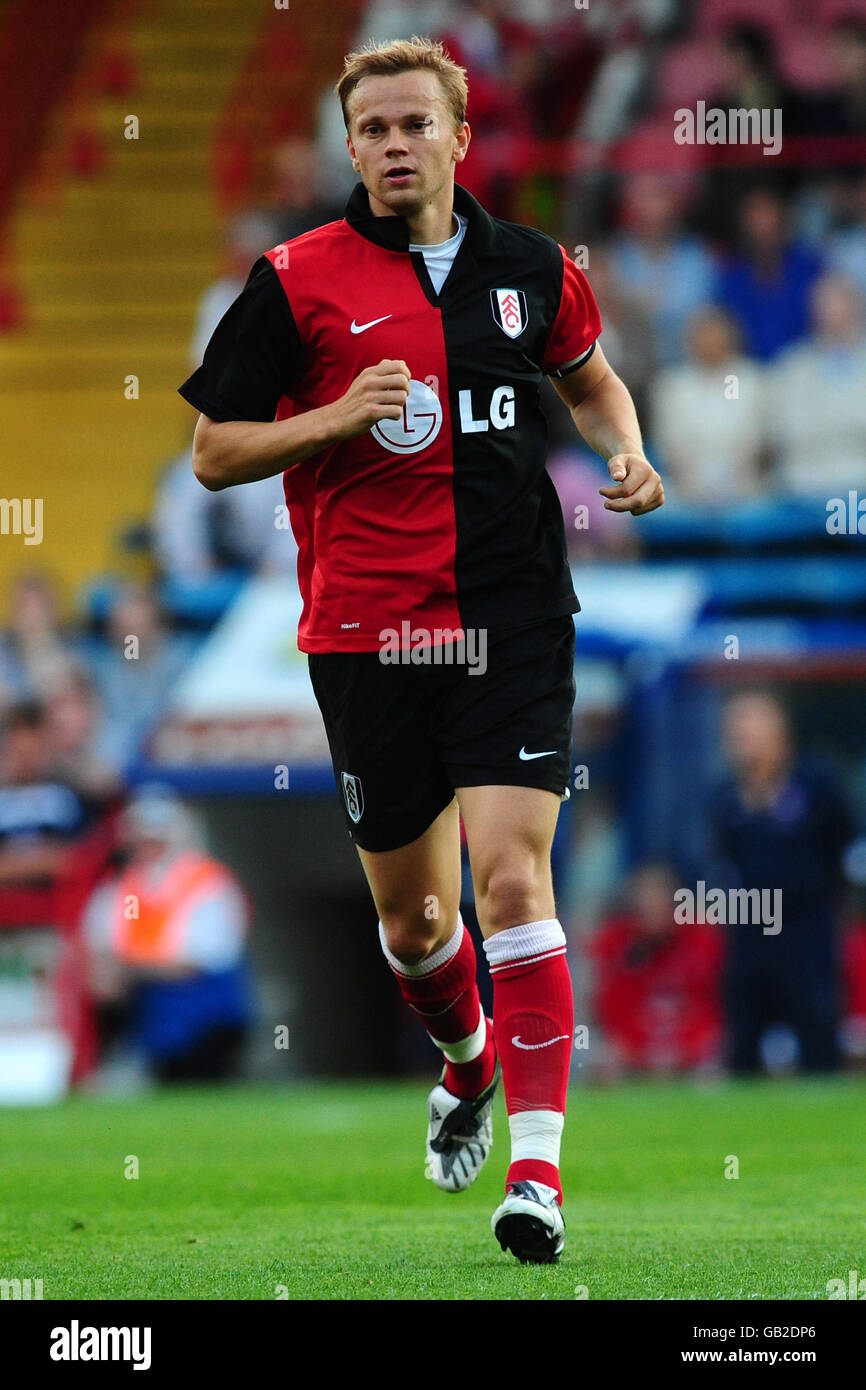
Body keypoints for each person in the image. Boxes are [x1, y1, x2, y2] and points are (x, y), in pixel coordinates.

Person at [178, 36, 663, 1264]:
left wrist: (625, 448)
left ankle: (540, 1178)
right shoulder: (294, 280)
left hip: (509, 620)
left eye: (413, 125)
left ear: (457, 136)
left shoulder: (533, 270)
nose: (394, 146)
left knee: (513, 882)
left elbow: (592, 383)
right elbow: (214, 450)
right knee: (413, 926)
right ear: (352, 148)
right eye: (372, 130)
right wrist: (338, 414)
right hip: (366, 633)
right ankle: (465, 1059)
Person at [710, 691, 855, 1076]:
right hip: (749, 936)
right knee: (743, 1043)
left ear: (779, 732)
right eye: (733, 731)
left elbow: (845, 849)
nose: (739, 739)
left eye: (748, 729)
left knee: (817, 1039)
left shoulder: (818, 786)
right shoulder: (726, 799)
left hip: (806, 934)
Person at [83, 787, 253, 1084]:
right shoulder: (121, 888)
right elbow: (101, 953)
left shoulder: (208, 883)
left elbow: (201, 960)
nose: (147, 848)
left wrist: (129, 969)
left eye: (155, 839)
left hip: (205, 1014)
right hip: (148, 1014)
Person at [588, 861, 723, 1076]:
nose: (652, 914)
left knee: (714, 1063)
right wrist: (640, 1052)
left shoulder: (701, 939)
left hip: (691, 1048)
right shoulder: (616, 944)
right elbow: (611, 1008)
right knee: (600, 1059)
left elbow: (712, 1004)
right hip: (633, 1050)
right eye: (645, 906)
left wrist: (684, 1049)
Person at [650, 306, 768, 504]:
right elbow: (669, 443)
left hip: (745, 485)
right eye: (704, 334)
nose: (710, 341)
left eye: (716, 334)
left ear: (731, 338)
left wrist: (730, 477)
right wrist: (697, 478)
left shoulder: (753, 381)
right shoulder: (670, 386)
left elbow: (757, 439)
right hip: (685, 486)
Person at [766, 272, 866, 497]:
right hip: (804, 484)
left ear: (856, 311)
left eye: (841, 306)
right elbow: (789, 432)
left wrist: (828, 421)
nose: (833, 316)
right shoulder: (791, 366)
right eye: (825, 307)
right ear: (813, 313)